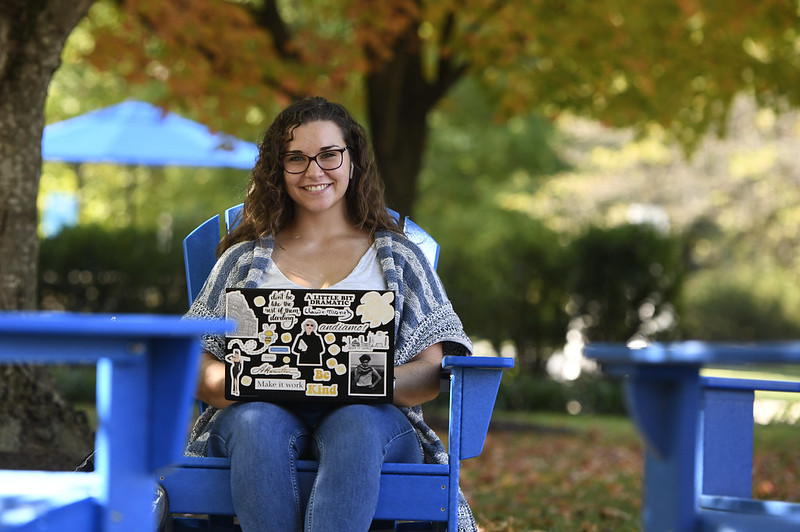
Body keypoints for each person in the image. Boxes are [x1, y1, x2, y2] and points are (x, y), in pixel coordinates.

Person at [183, 96, 475, 531]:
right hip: (253, 415)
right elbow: (196, 361)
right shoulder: (245, 262)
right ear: (278, 171)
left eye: (329, 155)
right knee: (258, 421)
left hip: (373, 422)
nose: (314, 171)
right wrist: (248, 382)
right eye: (295, 158)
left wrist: (353, 385)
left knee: (355, 422)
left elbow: (433, 372)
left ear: (353, 161)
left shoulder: (397, 259)